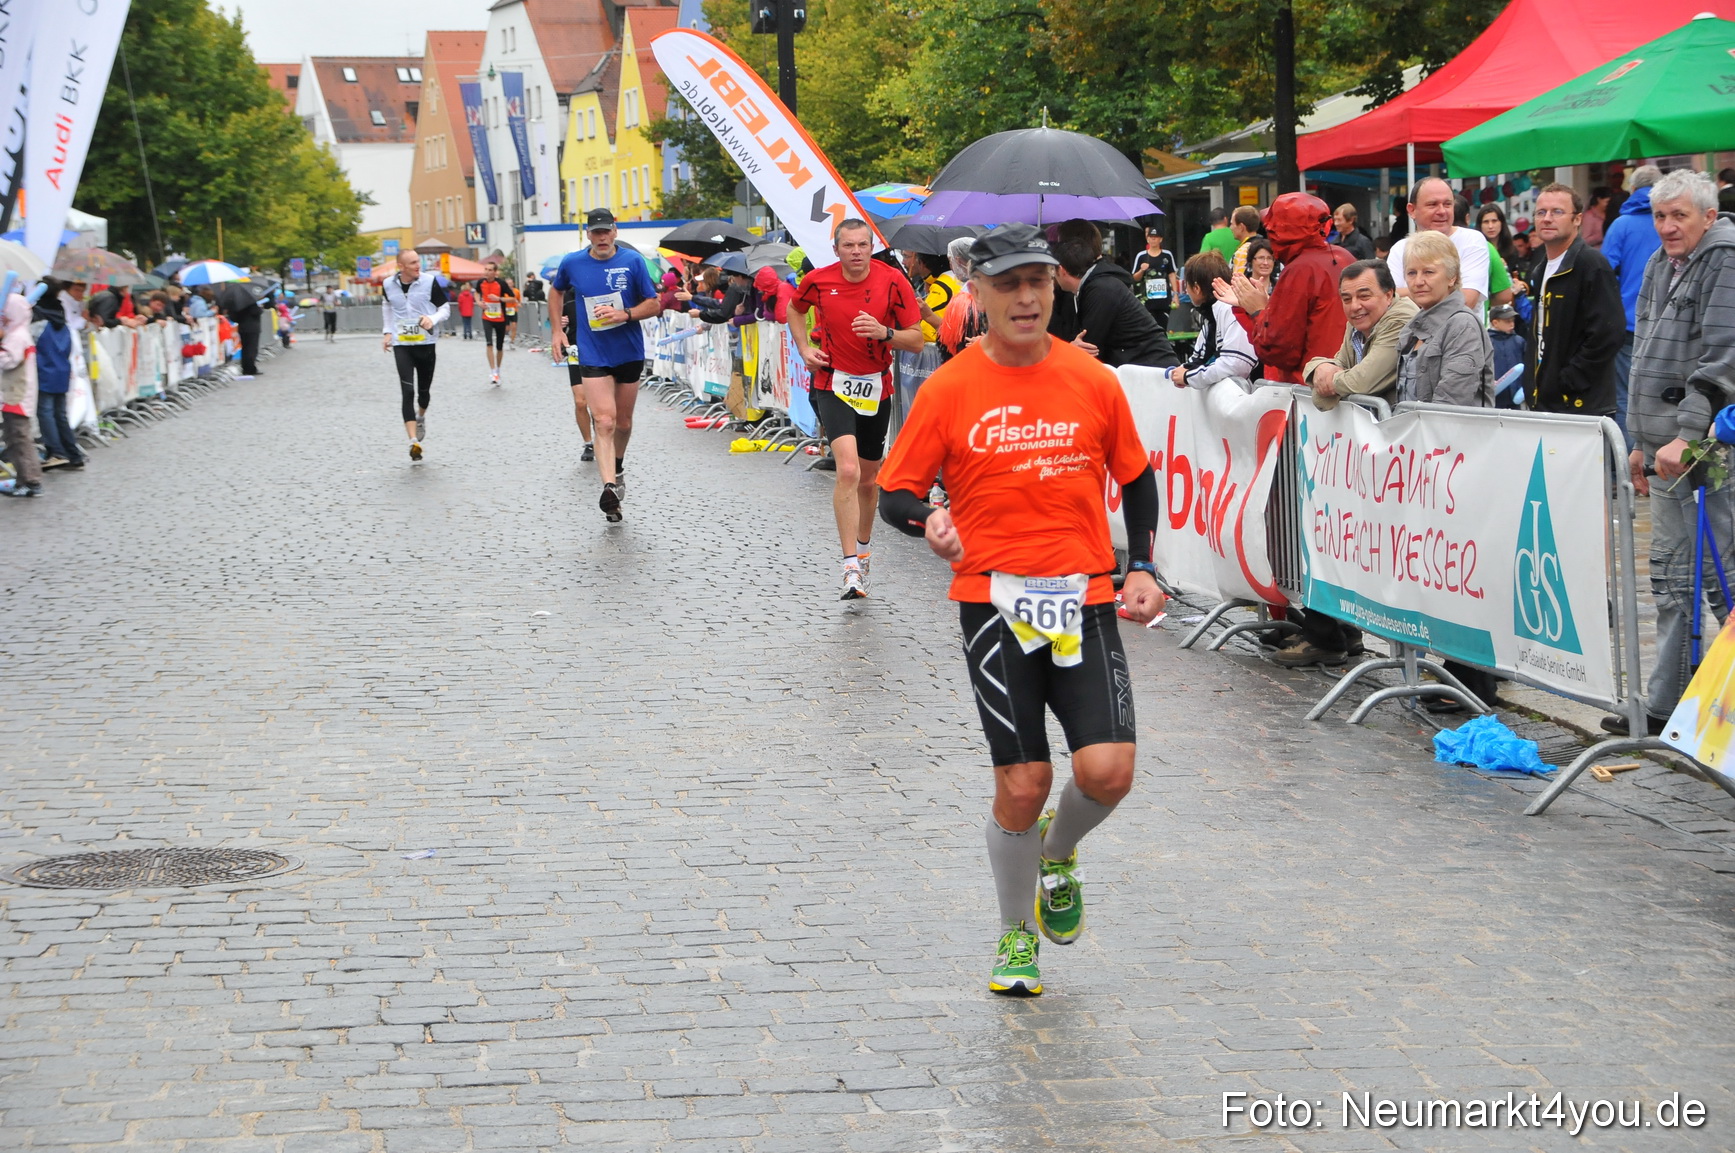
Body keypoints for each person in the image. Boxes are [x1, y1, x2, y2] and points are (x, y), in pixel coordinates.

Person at [875, 222, 1166, 997]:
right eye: (1008, 284)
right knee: (1023, 782)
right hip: (993, 601)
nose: (1028, 297)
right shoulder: (949, 387)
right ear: (977, 294)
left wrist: (1142, 564)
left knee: (1107, 772)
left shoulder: (1090, 379)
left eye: (1037, 281)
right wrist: (925, 521)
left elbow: (1135, 476)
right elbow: (895, 492)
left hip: (1084, 596)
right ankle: (1013, 935)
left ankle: (1058, 855)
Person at [1612, 170, 1735, 737]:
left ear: (1708, 217)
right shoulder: (1662, 263)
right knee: (1670, 576)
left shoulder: (1725, 260)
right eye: (1660, 216)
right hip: (1662, 445)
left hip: (1708, 447)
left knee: (1721, 578)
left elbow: (1722, 360)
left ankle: (1721, 709)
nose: (1666, 227)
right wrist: (1641, 440)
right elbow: (1643, 355)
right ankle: (1669, 702)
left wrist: (1687, 434)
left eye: (1679, 215)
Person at [1273, 260, 1418, 667]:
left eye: (1365, 295)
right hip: (1369, 460)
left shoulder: (1398, 319)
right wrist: (1323, 372)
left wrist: (1328, 378)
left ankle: (1392, 651)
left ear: (1389, 295)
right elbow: (1328, 374)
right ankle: (1339, 630)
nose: (1355, 306)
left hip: (1400, 462)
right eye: (1347, 298)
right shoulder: (1358, 325)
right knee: (1338, 535)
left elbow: (1356, 383)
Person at [788, 218, 924, 599]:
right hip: (832, 382)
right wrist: (803, 348)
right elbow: (794, 310)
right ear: (836, 250)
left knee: (868, 479)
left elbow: (916, 340)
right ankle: (849, 565)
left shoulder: (892, 281)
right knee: (846, 469)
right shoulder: (818, 280)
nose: (857, 252)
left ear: (870, 247)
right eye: (849, 246)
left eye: (863, 245)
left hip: (876, 387)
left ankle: (863, 550)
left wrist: (885, 333)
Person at [1394, 230, 1499, 710]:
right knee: (1437, 571)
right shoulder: (1414, 325)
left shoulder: (1462, 324)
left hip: (1456, 463)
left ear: (1453, 276)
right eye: (1412, 272)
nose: (1418, 280)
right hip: (1422, 464)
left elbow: (1453, 399)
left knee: (1463, 572)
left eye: (1428, 271)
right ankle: (1447, 670)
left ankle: (1473, 682)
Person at [547, 209, 660, 522]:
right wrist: (556, 330)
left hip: (628, 351)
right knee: (605, 421)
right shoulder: (572, 263)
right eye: (595, 232)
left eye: (606, 231)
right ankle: (609, 487)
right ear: (588, 234)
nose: (601, 238)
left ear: (614, 231)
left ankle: (618, 468)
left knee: (623, 422)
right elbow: (556, 290)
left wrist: (626, 314)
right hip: (593, 352)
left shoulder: (632, 262)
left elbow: (654, 303)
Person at [1216, 193, 1355, 385]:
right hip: (1347, 381)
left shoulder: (1299, 270)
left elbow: (1279, 349)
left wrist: (1258, 311)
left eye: (1271, 229)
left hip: (1310, 387)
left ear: (1281, 232)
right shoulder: (1343, 257)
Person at [1524, 183, 1624, 417]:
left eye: (1557, 212)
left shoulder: (1591, 264)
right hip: (1545, 403)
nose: (1547, 218)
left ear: (1577, 219)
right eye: (1541, 212)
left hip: (1580, 406)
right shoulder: (1540, 269)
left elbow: (1609, 333)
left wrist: (1568, 380)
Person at [1047, 219, 1178, 369]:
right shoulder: (1095, 282)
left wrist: (1069, 350)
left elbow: (1089, 347)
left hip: (1150, 374)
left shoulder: (1101, 288)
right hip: (1134, 370)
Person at [1602, 165, 1665, 443]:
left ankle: (1629, 472)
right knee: (1667, 395)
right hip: (1671, 322)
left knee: (1626, 396)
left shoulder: (1621, 225)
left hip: (1629, 323)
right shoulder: (1672, 222)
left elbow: (1605, 273)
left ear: (1631, 190)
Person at [1385, 177, 1491, 316]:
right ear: (1411, 210)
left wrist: (1412, 294)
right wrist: (1445, 292)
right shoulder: (1400, 249)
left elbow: (1465, 301)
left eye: (1447, 204)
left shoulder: (1472, 240)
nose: (1442, 211)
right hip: (1411, 336)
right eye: (1432, 204)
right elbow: (1389, 301)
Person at [380, 250, 450, 461]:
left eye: (418, 262)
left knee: (424, 392)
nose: (417, 266)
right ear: (401, 266)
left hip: (426, 343)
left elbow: (445, 308)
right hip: (402, 344)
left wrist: (432, 318)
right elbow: (387, 307)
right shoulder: (387, 285)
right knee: (407, 391)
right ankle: (413, 442)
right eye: (412, 263)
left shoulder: (430, 282)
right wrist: (386, 332)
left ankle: (420, 417)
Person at [1167, 250, 1257, 390]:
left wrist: (1188, 377)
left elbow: (1235, 365)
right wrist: (1183, 372)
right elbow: (1198, 358)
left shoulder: (1231, 308)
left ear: (1196, 288)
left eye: (1187, 286)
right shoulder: (1211, 311)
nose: (1186, 291)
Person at [33, 280, 86, 471]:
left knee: (46, 413)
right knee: (60, 414)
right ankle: (73, 453)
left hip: (43, 369)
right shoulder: (61, 315)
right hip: (61, 369)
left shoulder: (37, 316)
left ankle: (56, 452)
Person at [1, 288, 41, 497]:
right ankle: (23, 480)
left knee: (19, 440)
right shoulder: (18, 333)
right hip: (15, 395)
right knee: (16, 440)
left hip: (16, 397)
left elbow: (7, 361)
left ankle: (30, 481)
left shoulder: (16, 336)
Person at [937, 236, 987, 360]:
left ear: (958, 261)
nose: (950, 265)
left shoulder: (964, 299)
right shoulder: (988, 290)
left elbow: (951, 341)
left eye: (950, 260)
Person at [902, 250, 960, 340]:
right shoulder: (953, 276)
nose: (902, 261)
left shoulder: (941, 286)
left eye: (906, 256)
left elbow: (927, 332)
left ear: (921, 262)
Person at [476, 260, 517, 385]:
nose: (487, 272)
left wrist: (499, 299)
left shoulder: (501, 283)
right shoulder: (480, 282)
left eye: (489, 270)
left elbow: (513, 298)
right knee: (489, 344)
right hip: (487, 317)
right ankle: (493, 371)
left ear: (495, 272)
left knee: (499, 347)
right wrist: (478, 302)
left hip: (500, 318)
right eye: (486, 269)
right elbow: (477, 293)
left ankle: (498, 370)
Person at [1130, 226, 1178, 332]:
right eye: (1151, 237)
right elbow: (1134, 278)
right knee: (1148, 329)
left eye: (1156, 237)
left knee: (1162, 328)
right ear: (1147, 239)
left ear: (1161, 239)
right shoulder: (1141, 256)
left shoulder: (1167, 255)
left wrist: (1175, 295)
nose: (1153, 239)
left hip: (1164, 299)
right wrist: (1142, 270)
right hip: (1146, 300)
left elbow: (1172, 275)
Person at [215, 280, 264, 378]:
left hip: (242, 328)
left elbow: (234, 317)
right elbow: (256, 312)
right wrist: (260, 308)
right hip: (252, 328)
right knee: (252, 348)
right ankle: (250, 368)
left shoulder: (236, 306)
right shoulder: (251, 303)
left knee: (245, 348)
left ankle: (245, 367)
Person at [1487, 303, 1527, 408]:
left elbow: (1527, 363)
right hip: (1494, 396)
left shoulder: (1519, 341)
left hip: (1516, 395)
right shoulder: (1486, 341)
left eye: (1512, 320)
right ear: (1495, 323)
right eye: (1507, 321)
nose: (1512, 324)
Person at [1228, 205, 1262, 277]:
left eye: (1232, 224)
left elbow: (1237, 283)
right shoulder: (1267, 248)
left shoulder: (1242, 253)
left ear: (1241, 227)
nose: (1230, 228)